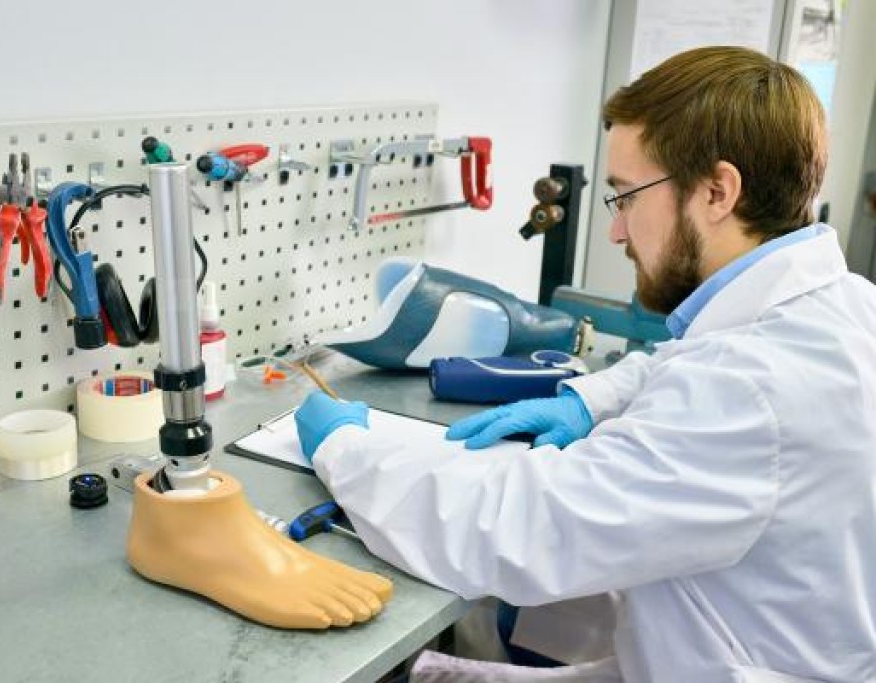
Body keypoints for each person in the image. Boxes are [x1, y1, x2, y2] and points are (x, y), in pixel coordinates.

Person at [293, 45, 876, 682]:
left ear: (717, 192)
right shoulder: (845, 307)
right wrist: (588, 400)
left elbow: (512, 531)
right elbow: (689, 363)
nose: (617, 232)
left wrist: (348, 450)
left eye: (626, 197)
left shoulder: (748, 390)